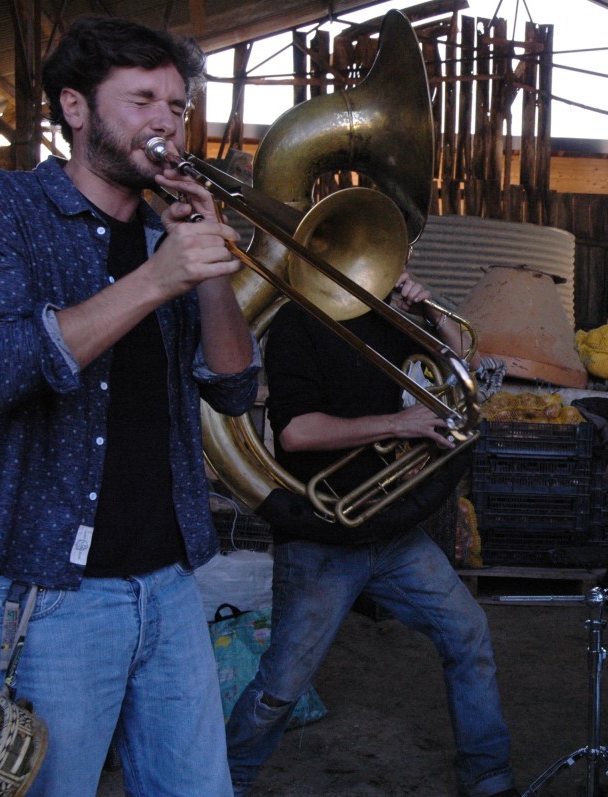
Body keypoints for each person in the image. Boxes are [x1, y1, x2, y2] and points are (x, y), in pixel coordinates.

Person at [0, 15, 259, 795]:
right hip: (50, 593)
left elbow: (235, 388)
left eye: (177, 106)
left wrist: (210, 264)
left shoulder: (160, 232)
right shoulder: (9, 208)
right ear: (75, 107)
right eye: (142, 100)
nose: (165, 123)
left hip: (170, 583)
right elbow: (4, 367)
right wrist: (157, 278)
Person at [225, 274, 518, 797]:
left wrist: (431, 310)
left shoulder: (390, 316)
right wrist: (397, 424)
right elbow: (296, 432)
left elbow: (464, 372)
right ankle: (226, 779)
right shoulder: (297, 321)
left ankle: (488, 776)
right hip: (321, 536)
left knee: (468, 633)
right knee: (283, 685)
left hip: (391, 531)